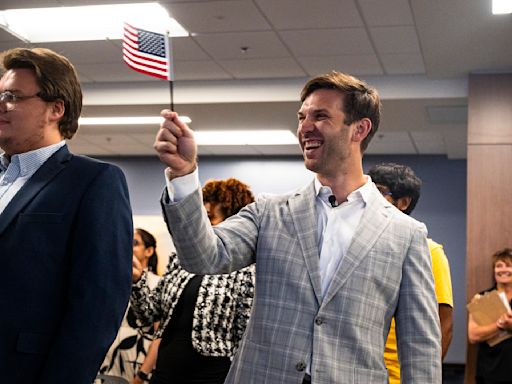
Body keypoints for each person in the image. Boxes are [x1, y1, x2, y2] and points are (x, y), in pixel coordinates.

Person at [154, 71, 442, 383]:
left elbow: (420, 346)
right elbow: (203, 258)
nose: (304, 128)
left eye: (320, 116)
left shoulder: (406, 234)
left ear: (359, 128)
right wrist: (183, 173)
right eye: (302, 117)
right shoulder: (270, 212)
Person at [0, 47, 133, 383]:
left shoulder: (93, 181)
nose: (2, 104)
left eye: (13, 96)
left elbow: (98, 306)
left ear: (56, 108)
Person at [130, 178, 256, 384]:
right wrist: (137, 281)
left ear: (233, 221)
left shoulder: (245, 269)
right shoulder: (181, 260)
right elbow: (147, 315)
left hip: (211, 376)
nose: (203, 226)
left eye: (210, 218)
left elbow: (245, 336)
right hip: (166, 371)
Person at [367, 162, 454, 383]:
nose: (369, 200)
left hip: (398, 376)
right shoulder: (363, 247)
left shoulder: (429, 251)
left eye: (379, 192)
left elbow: (444, 323)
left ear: (403, 202)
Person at [99, 228, 162, 383]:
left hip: (137, 361)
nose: (128, 246)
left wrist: (142, 374)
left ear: (149, 251)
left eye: (134, 243)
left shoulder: (158, 283)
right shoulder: (111, 280)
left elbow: (159, 334)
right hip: (107, 362)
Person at [468, 247, 512, 384]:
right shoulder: (480, 298)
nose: (503, 270)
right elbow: (473, 335)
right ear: (494, 271)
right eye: (499, 266)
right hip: (490, 371)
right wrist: (500, 325)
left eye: (509, 266)